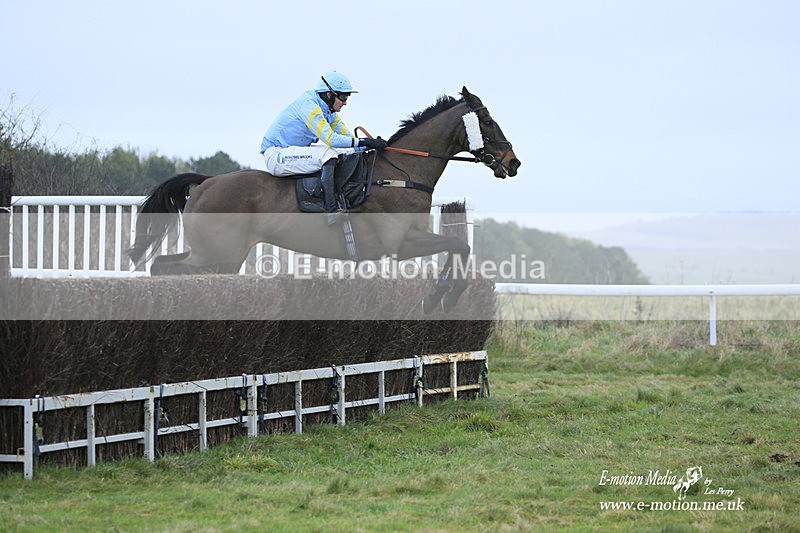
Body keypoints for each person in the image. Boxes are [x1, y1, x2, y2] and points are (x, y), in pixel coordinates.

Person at [260, 71, 387, 224]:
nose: (345, 102)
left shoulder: (329, 113)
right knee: (328, 153)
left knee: (343, 151)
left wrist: (370, 145)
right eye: (343, 97)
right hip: (277, 155)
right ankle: (332, 210)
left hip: (292, 152)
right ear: (329, 94)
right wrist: (364, 142)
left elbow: (348, 141)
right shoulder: (309, 105)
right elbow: (331, 140)